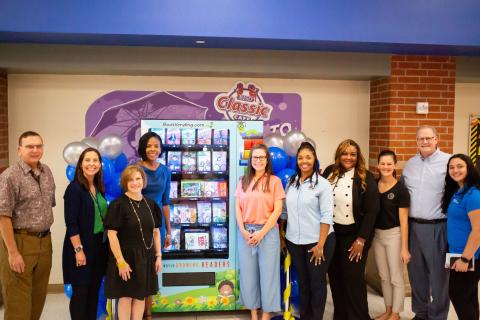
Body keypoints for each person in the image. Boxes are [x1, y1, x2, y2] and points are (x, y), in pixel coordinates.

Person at [0, 131, 56, 320]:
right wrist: (13, 252)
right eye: (30, 146)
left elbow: (48, 207)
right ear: (19, 150)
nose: (35, 150)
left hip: (44, 242)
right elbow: (3, 216)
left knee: (37, 301)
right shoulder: (9, 176)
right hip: (19, 242)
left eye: (38, 146)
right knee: (18, 306)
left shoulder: (46, 171)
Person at [322, 139, 379, 320]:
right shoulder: (329, 172)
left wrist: (361, 240)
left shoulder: (366, 176)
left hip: (355, 235)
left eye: (352, 154)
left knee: (353, 280)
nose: (348, 157)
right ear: (339, 155)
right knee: (336, 277)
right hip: (332, 234)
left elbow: (372, 211)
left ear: (358, 156)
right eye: (345, 153)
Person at [280, 141, 335, 320]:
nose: (304, 161)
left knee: (317, 284)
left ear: (314, 159)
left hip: (317, 242)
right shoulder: (292, 182)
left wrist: (320, 244)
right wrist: (282, 236)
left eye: (308, 157)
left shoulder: (323, 184)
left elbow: (327, 216)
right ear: (296, 160)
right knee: (303, 283)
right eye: (301, 158)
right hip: (294, 242)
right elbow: (285, 212)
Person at [401, 125, 450, 320]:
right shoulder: (410, 164)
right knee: (417, 275)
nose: (425, 142)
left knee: (439, 278)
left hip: (438, 227)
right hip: (413, 227)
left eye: (429, 138)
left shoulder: (448, 162)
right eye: (421, 139)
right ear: (416, 141)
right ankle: (421, 313)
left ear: (437, 139)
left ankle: (438, 316)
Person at [104, 165, 162, 320]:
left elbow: (156, 232)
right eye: (130, 180)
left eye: (138, 178)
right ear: (125, 183)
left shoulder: (151, 205)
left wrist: (158, 256)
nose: (135, 182)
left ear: (143, 180)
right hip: (126, 258)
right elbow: (112, 235)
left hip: (146, 257)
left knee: (140, 296)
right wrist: (120, 262)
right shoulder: (118, 205)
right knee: (126, 297)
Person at [235, 143, 285, 320]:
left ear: (267, 160)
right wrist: (242, 230)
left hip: (268, 233)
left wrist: (261, 233)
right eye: (255, 157)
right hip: (246, 234)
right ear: (250, 160)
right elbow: (237, 208)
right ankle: (253, 313)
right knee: (248, 275)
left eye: (262, 157)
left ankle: (266, 314)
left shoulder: (275, 181)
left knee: (268, 275)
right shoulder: (243, 181)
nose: (258, 160)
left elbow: (277, 210)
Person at [62, 147, 108, 320]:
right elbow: (71, 223)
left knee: (93, 291)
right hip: (80, 247)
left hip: (99, 246)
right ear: (80, 164)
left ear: (100, 164)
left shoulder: (98, 186)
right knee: (81, 293)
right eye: (87, 160)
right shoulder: (74, 189)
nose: (91, 164)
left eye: (95, 160)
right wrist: (78, 250)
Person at [137, 131, 172, 320]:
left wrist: (168, 230)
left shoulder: (165, 171)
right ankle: (138, 311)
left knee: (151, 269)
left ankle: (148, 313)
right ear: (143, 148)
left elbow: (166, 202)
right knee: (138, 267)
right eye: (149, 145)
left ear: (160, 148)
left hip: (157, 225)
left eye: (156, 145)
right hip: (137, 223)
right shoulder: (136, 169)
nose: (152, 149)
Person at [441, 154, 480, 319]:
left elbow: (478, 230)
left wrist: (465, 258)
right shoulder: (458, 191)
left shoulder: (473, 195)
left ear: (469, 168)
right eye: (452, 167)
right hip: (456, 252)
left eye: (460, 166)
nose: (455, 170)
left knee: (458, 295)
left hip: (468, 255)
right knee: (468, 296)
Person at [372, 150, 410, 320]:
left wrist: (404, 248)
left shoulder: (401, 190)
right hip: (377, 236)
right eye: (383, 164)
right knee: (384, 276)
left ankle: (396, 313)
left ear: (395, 165)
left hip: (394, 235)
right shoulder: (373, 185)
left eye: (389, 164)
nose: (386, 167)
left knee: (395, 277)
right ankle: (387, 310)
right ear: (377, 165)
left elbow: (404, 222)